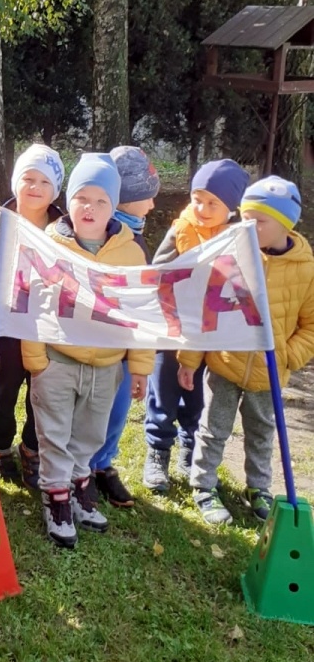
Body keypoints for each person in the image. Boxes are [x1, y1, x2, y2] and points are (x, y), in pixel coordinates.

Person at [22, 153, 154, 548]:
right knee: (55, 432)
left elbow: (142, 313)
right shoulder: (50, 244)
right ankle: (56, 495)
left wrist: (140, 366)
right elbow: (31, 303)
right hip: (58, 362)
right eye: (82, 198)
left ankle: (80, 482)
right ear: (69, 201)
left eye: (101, 201)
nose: (90, 209)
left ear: (115, 207)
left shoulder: (131, 253)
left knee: (90, 433)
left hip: (107, 366)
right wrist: (35, 359)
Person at [178, 177, 314, 525]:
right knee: (214, 428)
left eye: (259, 220)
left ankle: (259, 488)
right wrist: (189, 360)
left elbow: (310, 326)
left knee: (262, 432)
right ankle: (204, 485)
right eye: (245, 217)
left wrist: (287, 356)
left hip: (269, 374)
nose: (248, 226)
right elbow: (205, 311)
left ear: (286, 223)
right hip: (225, 364)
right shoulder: (230, 256)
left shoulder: (306, 269)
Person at [143, 158, 250, 494]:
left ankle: (190, 450)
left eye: (212, 203)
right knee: (163, 391)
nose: (202, 208)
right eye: (197, 199)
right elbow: (158, 271)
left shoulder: (237, 238)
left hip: (211, 333)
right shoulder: (182, 228)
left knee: (197, 397)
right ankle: (157, 451)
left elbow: (243, 285)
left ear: (231, 207)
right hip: (172, 328)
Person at [0, 144, 65, 489]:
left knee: (42, 390)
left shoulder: (65, 228)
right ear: (15, 182)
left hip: (47, 325)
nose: (34, 187)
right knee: (4, 387)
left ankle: (32, 449)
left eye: (44, 182)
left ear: (56, 191)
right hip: (6, 322)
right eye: (27, 179)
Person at [90, 146, 160, 508]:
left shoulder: (138, 241)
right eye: (145, 197)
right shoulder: (92, 235)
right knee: (89, 411)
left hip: (124, 348)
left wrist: (139, 361)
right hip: (90, 347)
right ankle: (80, 469)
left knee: (117, 410)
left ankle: (103, 464)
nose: (150, 206)